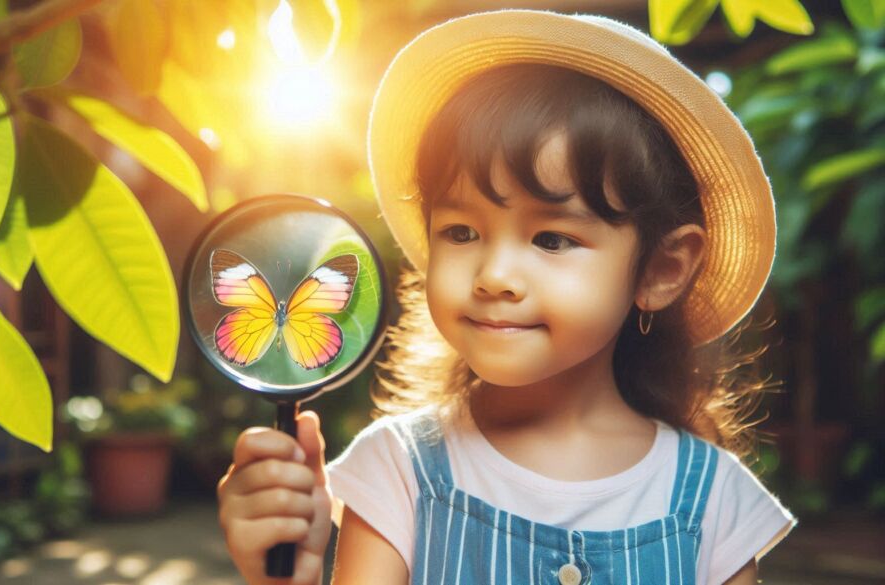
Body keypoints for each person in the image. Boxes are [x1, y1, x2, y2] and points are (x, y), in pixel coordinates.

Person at [216, 10, 796, 585]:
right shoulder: (398, 472)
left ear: (661, 270)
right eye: (461, 232)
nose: (493, 275)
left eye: (552, 238)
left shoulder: (713, 501)